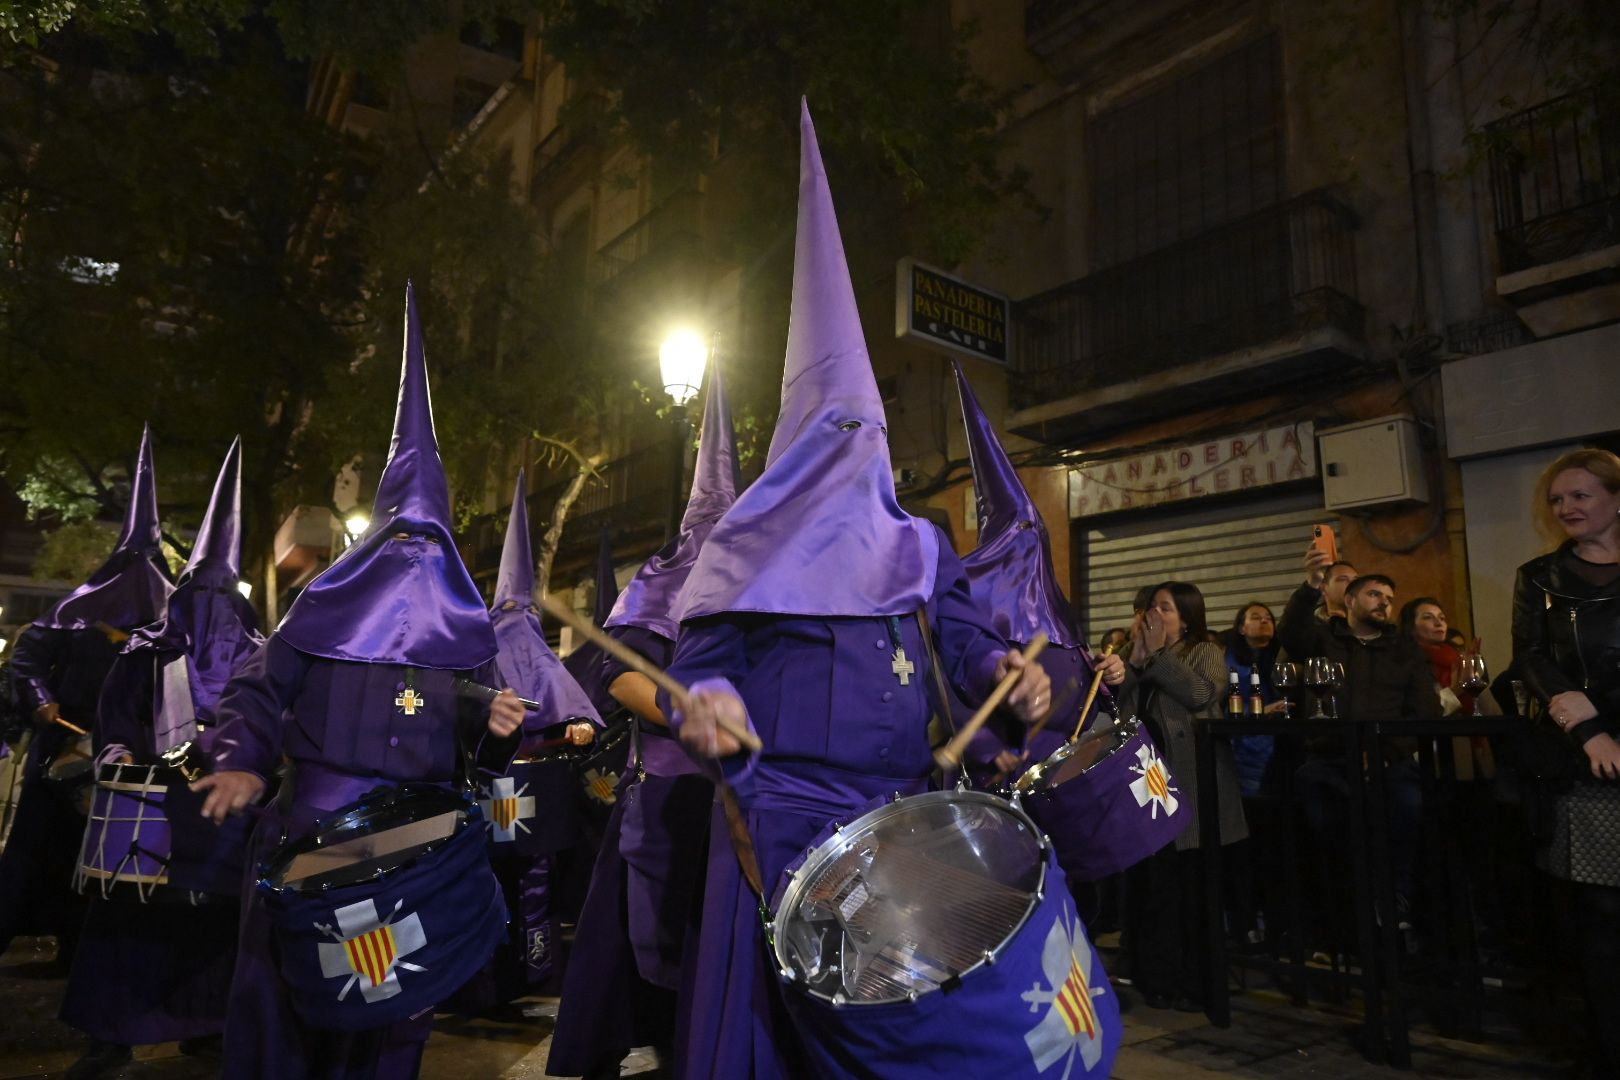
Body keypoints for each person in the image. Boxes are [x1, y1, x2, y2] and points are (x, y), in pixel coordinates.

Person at [660, 104, 1067, 1080]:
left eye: (870, 433)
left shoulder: (922, 543)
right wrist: (704, 706)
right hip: (778, 828)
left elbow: (967, 646)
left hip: (901, 828)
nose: (862, 456)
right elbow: (699, 673)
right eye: (838, 436)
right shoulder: (747, 554)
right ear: (801, 450)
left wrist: (1011, 679)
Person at [192, 285, 526, 1080]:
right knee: (289, 1009)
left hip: (414, 851)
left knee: (392, 1010)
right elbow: (255, 693)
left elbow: (468, 731)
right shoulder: (320, 612)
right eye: (401, 538)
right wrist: (238, 757)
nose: (415, 558)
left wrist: (489, 715)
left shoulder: (465, 632)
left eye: (431, 540)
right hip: (313, 835)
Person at [549, 356, 740, 1080]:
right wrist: (673, 706)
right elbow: (617, 673)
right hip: (668, 796)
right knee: (651, 953)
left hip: (747, 799)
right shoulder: (664, 579)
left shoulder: (771, 573)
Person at [59, 438, 262, 1078]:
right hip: (145, 810)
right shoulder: (143, 654)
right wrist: (118, 753)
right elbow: (112, 721)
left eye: (223, 604)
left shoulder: (261, 660)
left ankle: (209, 1025)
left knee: (217, 930)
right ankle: (110, 1034)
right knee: (126, 926)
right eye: (201, 600)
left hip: (219, 821)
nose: (212, 619)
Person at [0, 426, 173, 966]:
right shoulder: (75, 613)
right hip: (63, 746)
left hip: (126, 756)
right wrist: (39, 698)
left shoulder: (167, 623)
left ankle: (80, 951)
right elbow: (27, 657)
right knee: (37, 849)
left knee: (105, 856)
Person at [951, 359, 1126, 794]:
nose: (1030, 547)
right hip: (1008, 787)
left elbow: (1087, 691)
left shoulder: (1061, 614)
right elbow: (948, 703)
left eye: (1036, 534)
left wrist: (1111, 674)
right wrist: (988, 747)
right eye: (1018, 536)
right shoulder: (972, 623)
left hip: (1069, 776)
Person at [468, 470, 598, 1009]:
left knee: (532, 881)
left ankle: (531, 969)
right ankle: (490, 975)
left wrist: (575, 727)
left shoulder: (535, 651)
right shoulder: (476, 650)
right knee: (495, 881)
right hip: (492, 789)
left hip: (533, 796)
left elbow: (577, 717)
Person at [1510, 447, 1620, 1078]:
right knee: (1600, 915)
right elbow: (1531, 660)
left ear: (1614, 498)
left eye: (1580, 495)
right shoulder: (1540, 576)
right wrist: (1589, 730)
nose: (1567, 508)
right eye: (1557, 499)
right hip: (1584, 756)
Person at [1278, 564, 1439, 943]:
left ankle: (1394, 895)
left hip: (1388, 759)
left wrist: (1388, 752)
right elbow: (1290, 634)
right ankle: (1337, 913)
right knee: (1326, 821)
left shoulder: (1404, 650)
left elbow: (1424, 710)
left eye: (1388, 598)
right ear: (1349, 600)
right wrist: (1309, 587)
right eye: (1374, 594)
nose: (1384, 603)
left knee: (1407, 805)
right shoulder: (1322, 639)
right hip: (1330, 756)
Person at [1121, 581, 1246, 1010]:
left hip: (1192, 787)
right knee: (1155, 890)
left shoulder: (1205, 651)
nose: (1153, 615)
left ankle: (1195, 982)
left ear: (1186, 617)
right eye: (1151, 607)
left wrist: (1157, 657)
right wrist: (1134, 663)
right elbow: (1113, 707)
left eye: (1165, 608)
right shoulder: (1134, 654)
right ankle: (1155, 975)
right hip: (1147, 788)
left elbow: (1199, 694)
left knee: (1192, 891)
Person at [1223, 601, 1286, 950]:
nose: (1264, 622)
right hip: (1241, 759)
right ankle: (1244, 923)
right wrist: (1259, 711)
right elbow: (1221, 706)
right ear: (1241, 627)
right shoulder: (1227, 661)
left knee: (1272, 848)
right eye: (1255, 617)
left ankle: (1273, 926)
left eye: (1269, 618)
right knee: (1243, 848)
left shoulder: (1281, 657)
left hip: (1276, 762)